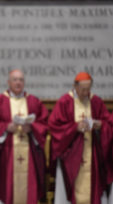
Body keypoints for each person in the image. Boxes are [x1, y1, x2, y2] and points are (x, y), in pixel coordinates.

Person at [0, 69, 48, 204]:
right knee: (6, 185)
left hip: (29, 154)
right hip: (6, 153)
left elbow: (44, 123)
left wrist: (32, 128)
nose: (18, 83)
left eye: (21, 80)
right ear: (9, 82)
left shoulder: (33, 101)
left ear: (24, 82)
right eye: (15, 80)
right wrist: (5, 128)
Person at [49, 72, 113, 204]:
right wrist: (75, 128)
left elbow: (108, 124)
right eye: (83, 89)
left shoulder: (95, 101)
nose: (85, 92)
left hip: (92, 155)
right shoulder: (64, 102)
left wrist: (100, 125)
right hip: (70, 157)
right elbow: (54, 126)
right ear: (74, 86)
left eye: (88, 89)